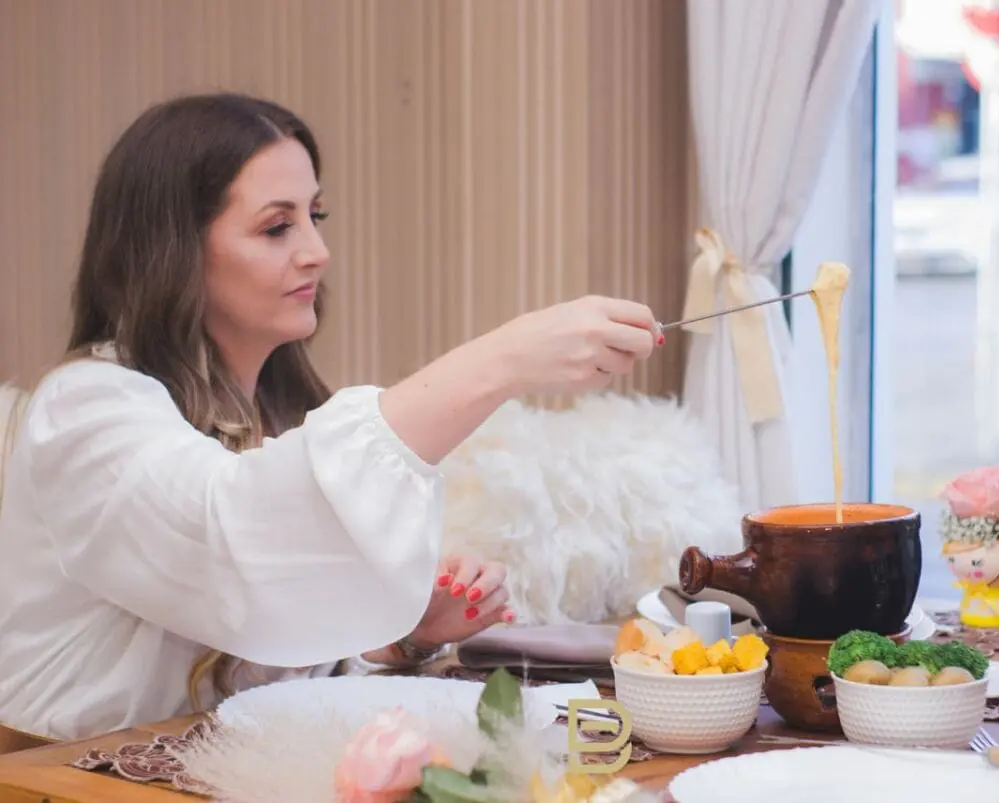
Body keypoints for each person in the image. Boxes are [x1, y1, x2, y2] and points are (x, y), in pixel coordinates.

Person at [0, 92, 659, 742]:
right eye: (276, 225)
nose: (318, 250)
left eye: (317, 216)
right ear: (173, 250)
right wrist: (503, 360)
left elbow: (268, 654)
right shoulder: (83, 410)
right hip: (56, 778)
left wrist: (402, 636)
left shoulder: (274, 414)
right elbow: (231, 543)